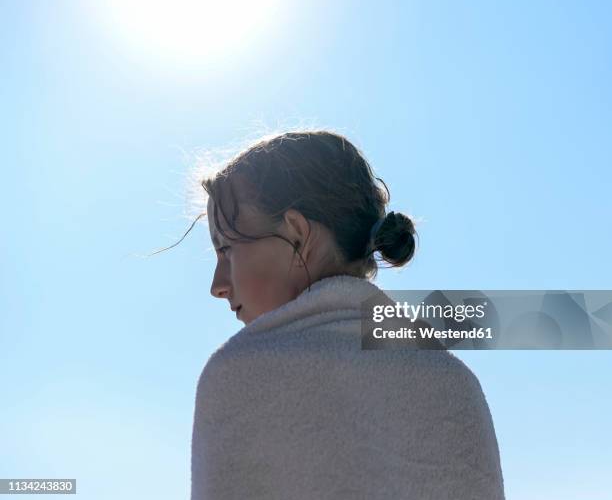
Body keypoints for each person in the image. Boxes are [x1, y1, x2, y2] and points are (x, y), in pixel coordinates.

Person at [188, 130, 505, 499]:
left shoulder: (240, 371)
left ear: (296, 235)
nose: (218, 285)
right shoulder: (454, 381)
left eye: (226, 248)